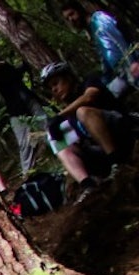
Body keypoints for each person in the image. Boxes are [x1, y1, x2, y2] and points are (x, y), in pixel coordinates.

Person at [41, 60, 137, 199]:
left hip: (122, 130)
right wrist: (55, 128)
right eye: (51, 88)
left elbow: (90, 96)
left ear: (68, 78)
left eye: (56, 83)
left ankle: (118, 163)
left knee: (82, 112)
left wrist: (60, 116)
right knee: (55, 138)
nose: (54, 90)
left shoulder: (89, 82)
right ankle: (88, 185)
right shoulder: (68, 114)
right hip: (99, 150)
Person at [0, 55, 57, 175]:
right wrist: (4, 66)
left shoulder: (8, 69)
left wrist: (19, 64)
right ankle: (28, 172)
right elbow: (11, 77)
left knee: (47, 125)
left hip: (29, 101)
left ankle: (61, 148)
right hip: (16, 111)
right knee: (24, 141)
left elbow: (19, 72)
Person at [61, 1, 139, 97]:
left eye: (72, 14)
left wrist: (133, 62)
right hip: (124, 74)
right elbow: (105, 60)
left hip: (133, 65)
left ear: (80, 10)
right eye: (67, 19)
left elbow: (119, 41)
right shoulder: (92, 32)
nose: (71, 19)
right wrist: (104, 82)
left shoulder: (99, 20)